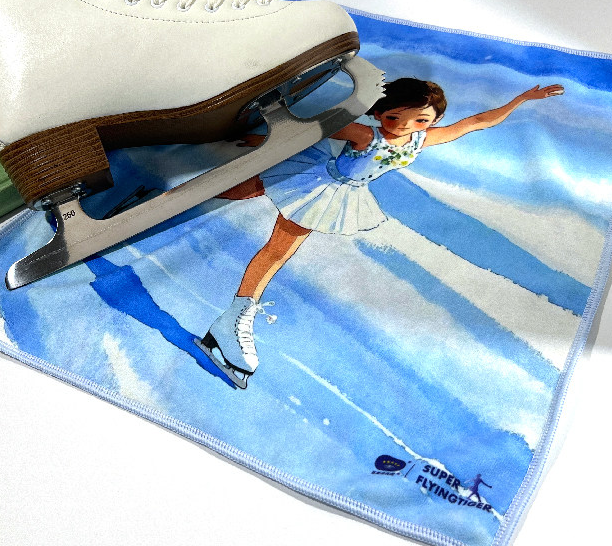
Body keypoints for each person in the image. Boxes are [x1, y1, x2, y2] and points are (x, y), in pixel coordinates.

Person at [194, 77, 564, 387]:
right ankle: (229, 307)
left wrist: (520, 99)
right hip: (320, 182)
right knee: (260, 211)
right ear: (378, 113)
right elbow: (307, 132)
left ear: (433, 121)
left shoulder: (421, 140)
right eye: (393, 117)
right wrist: (264, 139)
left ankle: (231, 315)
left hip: (338, 193)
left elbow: (477, 121)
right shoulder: (364, 134)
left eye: (419, 120)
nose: (403, 126)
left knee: (269, 225)